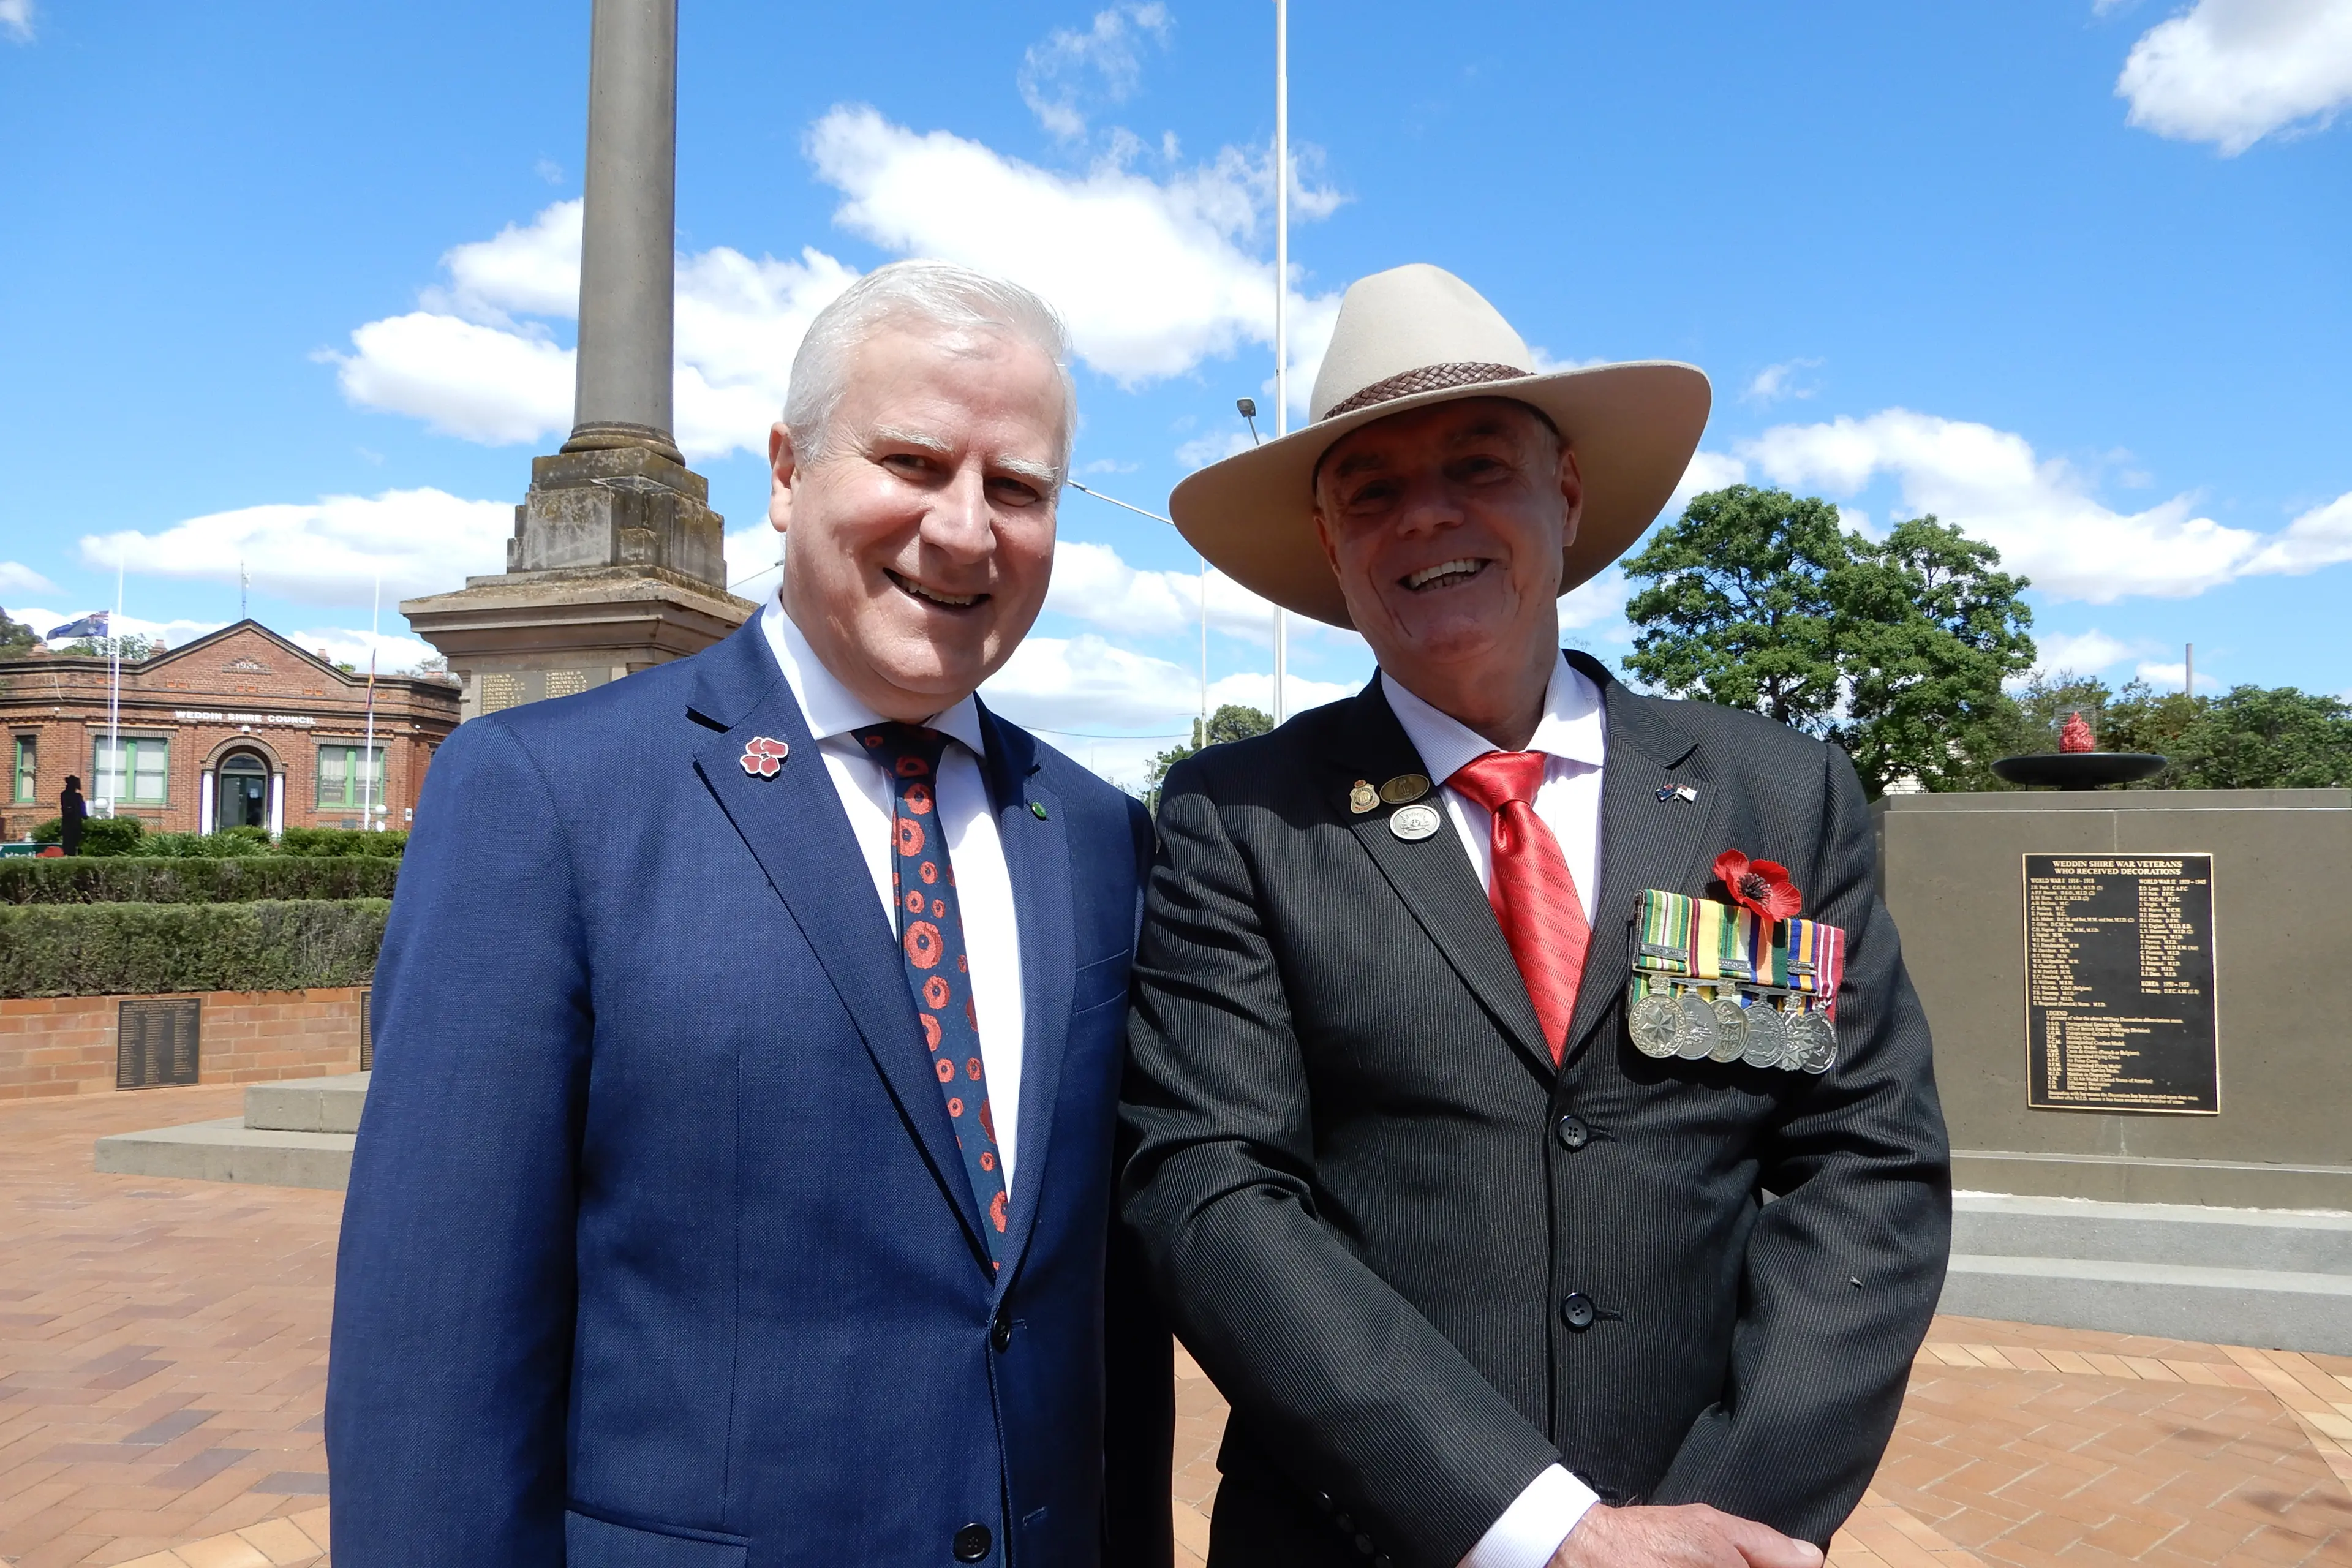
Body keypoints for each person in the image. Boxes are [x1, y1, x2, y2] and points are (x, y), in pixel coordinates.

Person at [328, 262, 1172, 1566]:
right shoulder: (545, 798)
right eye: (912, 460)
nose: (965, 529)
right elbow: (433, 1356)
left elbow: (1103, 1318)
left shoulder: (1102, 832)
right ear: (787, 473)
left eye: (1017, 488)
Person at [1120, 264, 1950, 1568]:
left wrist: (1732, 1514)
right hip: (1359, 1536)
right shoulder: (1240, 817)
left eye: (1478, 465)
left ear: (1565, 494)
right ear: (1331, 547)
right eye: (1372, 490)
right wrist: (1544, 1530)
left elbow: (1865, 1163)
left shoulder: (1778, 794)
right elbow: (1211, 1191)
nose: (1426, 517)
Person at [58, 774, 85, 856]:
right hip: (70, 822)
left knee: (76, 841)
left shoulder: (78, 796)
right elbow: (67, 808)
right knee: (69, 841)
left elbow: (82, 809)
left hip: (76, 821)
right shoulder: (66, 795)